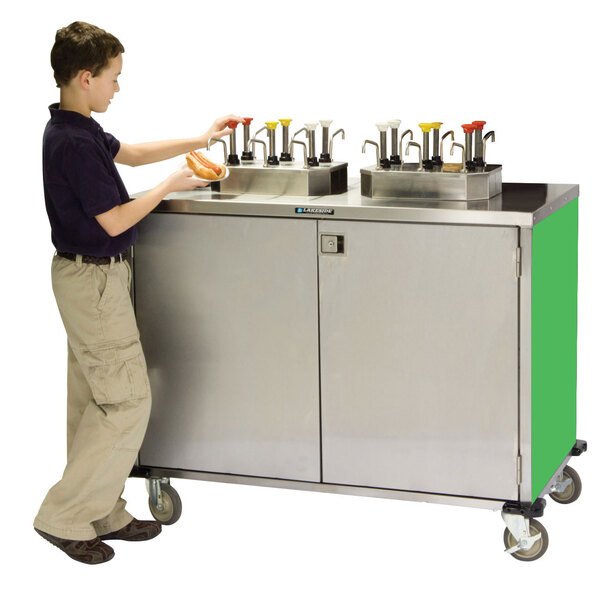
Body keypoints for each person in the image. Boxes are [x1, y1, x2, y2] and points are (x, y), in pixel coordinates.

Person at [34, 20, 244, 564]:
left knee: (93, 400)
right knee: (126, 400)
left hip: (90, 279)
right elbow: (113, 220)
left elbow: (131, 152)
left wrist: (201, 140)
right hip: (94, 279)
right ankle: (62, 516)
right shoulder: (73, 143)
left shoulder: (72, 128)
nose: (117, 88)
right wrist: (173, 184)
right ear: (86, 78)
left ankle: (101, 510)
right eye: (113, 78)